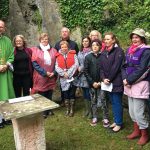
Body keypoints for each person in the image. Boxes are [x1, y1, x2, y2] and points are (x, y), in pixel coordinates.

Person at [122, 28, 150, 145]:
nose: (134, 39)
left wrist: (129, 80)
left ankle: (145, 134)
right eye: (133, 37)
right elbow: (124, 65)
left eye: (137, 37)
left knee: (139, 112)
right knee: (132, 111)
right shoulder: (129, 49)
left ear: (142, 39)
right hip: (128, 84)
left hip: (140, 83)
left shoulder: (146, 51)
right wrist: (125, 78)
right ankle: (136, 131)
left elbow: (143, 69)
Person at [100, 32, 124, 132]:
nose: (106, 41)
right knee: (113, 103)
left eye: (108, 39)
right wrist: (103, 78)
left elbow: (116, 67)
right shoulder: (104, 52)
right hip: (107, 82)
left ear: (113, 40)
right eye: (105, 39)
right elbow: (101, 68)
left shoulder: (119, 51)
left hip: (116, 81)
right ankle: (116, 120)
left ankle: (119, 123)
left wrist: (108, 78)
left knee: (117, 102)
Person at [31, 33, 57, 118]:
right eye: (43, 39)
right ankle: (44, 111)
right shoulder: (36, 50)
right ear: (40, 40)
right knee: (42, 93)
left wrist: (54, 72)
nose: (45, 41)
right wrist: (45, 73)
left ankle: (49, 110)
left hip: (51, 75)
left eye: (46, 39)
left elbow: (57, 62)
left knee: (49, 92)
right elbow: (35, 64)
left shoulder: (53, 50)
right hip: (41, 76)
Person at [84, 39, 109, 127]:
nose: (95, 46)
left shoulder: (103, 56)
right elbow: (86, 71)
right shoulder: (88, 57)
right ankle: (95, 116)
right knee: (93, 100)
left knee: (103, 100)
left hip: (102, 83)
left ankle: (105, 117)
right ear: (91, 46)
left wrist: (101, 81)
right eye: (93, 45)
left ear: (100, 47)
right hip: (92, 84)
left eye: (97, 45)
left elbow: (106, 70)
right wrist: (92, 82)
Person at [55, 27, 79, 105]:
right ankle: (64, 101)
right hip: (62, 73)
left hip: (72, 72)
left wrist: (70, 72)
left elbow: (77, 57)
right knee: (63, 88)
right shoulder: (57, 44)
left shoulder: (74, 44)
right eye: (63, 32)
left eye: (66, 32)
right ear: (61, 33)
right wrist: (63, 73)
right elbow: (57, 58)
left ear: (69, 33)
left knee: (72, 87)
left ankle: (72, 101)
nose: (64, 33)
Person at [55, 41, 79, 117]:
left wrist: (69, 73)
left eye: (65, 47)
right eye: (62, 47)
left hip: (72, 77)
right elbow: (56, 66)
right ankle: (67, 109)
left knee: (72, 93)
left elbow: (76, 64)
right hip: (63, 78)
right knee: (65, 93)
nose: (64, 48)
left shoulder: (73, 54)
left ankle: (72, 109)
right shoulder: (58, 56)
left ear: (68, 47)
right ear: (60, 48)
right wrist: (63, 73)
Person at [0, 20, 15, 128]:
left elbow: (11, 55)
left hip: (6, 74)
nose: (0, 28)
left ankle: (7, 117)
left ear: (4, 29)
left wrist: (6, 65)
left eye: (1, 27)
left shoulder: (8, 41)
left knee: (7, 95)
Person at [73, 36, 92, 118]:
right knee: (84, 93)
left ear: (89, 42)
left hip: (88, 74)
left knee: (89, 93)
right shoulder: (80, 52)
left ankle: (91, 111)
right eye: (83, 41)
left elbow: (89, 63)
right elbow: (77, 61)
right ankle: (87, 110)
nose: (85, 43)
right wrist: (77, 67)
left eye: (86, 41)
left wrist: (81, 67)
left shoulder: (91, 52)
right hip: (81, 76)